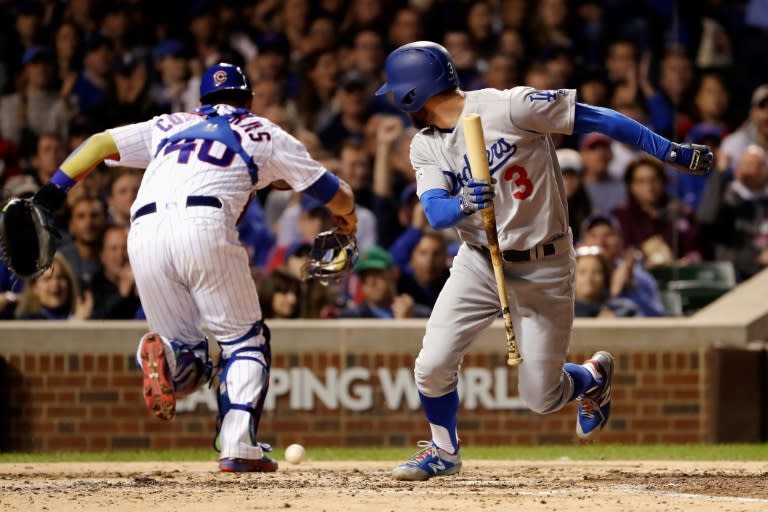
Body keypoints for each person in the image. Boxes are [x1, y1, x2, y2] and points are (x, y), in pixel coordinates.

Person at [374, 41, 713, 481]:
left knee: (541, 395)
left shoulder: (509, 106)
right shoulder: (425, 146)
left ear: (412, 94)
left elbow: (595, 117)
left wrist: (670, 151)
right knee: (432, 364)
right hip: (479, 262)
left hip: (545, 264)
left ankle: (590, 378)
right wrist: (462, 202)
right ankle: (443, 450)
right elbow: (437, 214)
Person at [29, 63, 357, 472]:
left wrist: (47, 197)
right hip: (204, 223)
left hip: (142, 230)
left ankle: (163, 353)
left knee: (190, 356)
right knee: (244, 340)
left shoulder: (170, 123)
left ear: (201, 102)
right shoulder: (264, 130)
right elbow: (332, 192)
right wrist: (349, 217)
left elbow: (96, 145)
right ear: (249, 101)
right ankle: (238, 444)